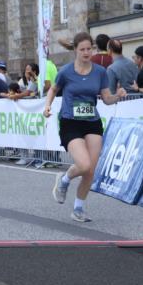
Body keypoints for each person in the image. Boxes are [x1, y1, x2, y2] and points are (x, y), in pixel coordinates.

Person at [43, 32, 127, 222]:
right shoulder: (65, 71)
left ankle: (78, 209)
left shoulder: (100, 72)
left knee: (90, 170)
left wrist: (118, 95)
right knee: (83, 164)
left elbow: (106, 99)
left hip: (92, 122)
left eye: (89, 48)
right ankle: (64, 180)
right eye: (82, 49)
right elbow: (53, 89)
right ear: (75, 50)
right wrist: (47, 106)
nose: (87, 52)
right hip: (70, 122)